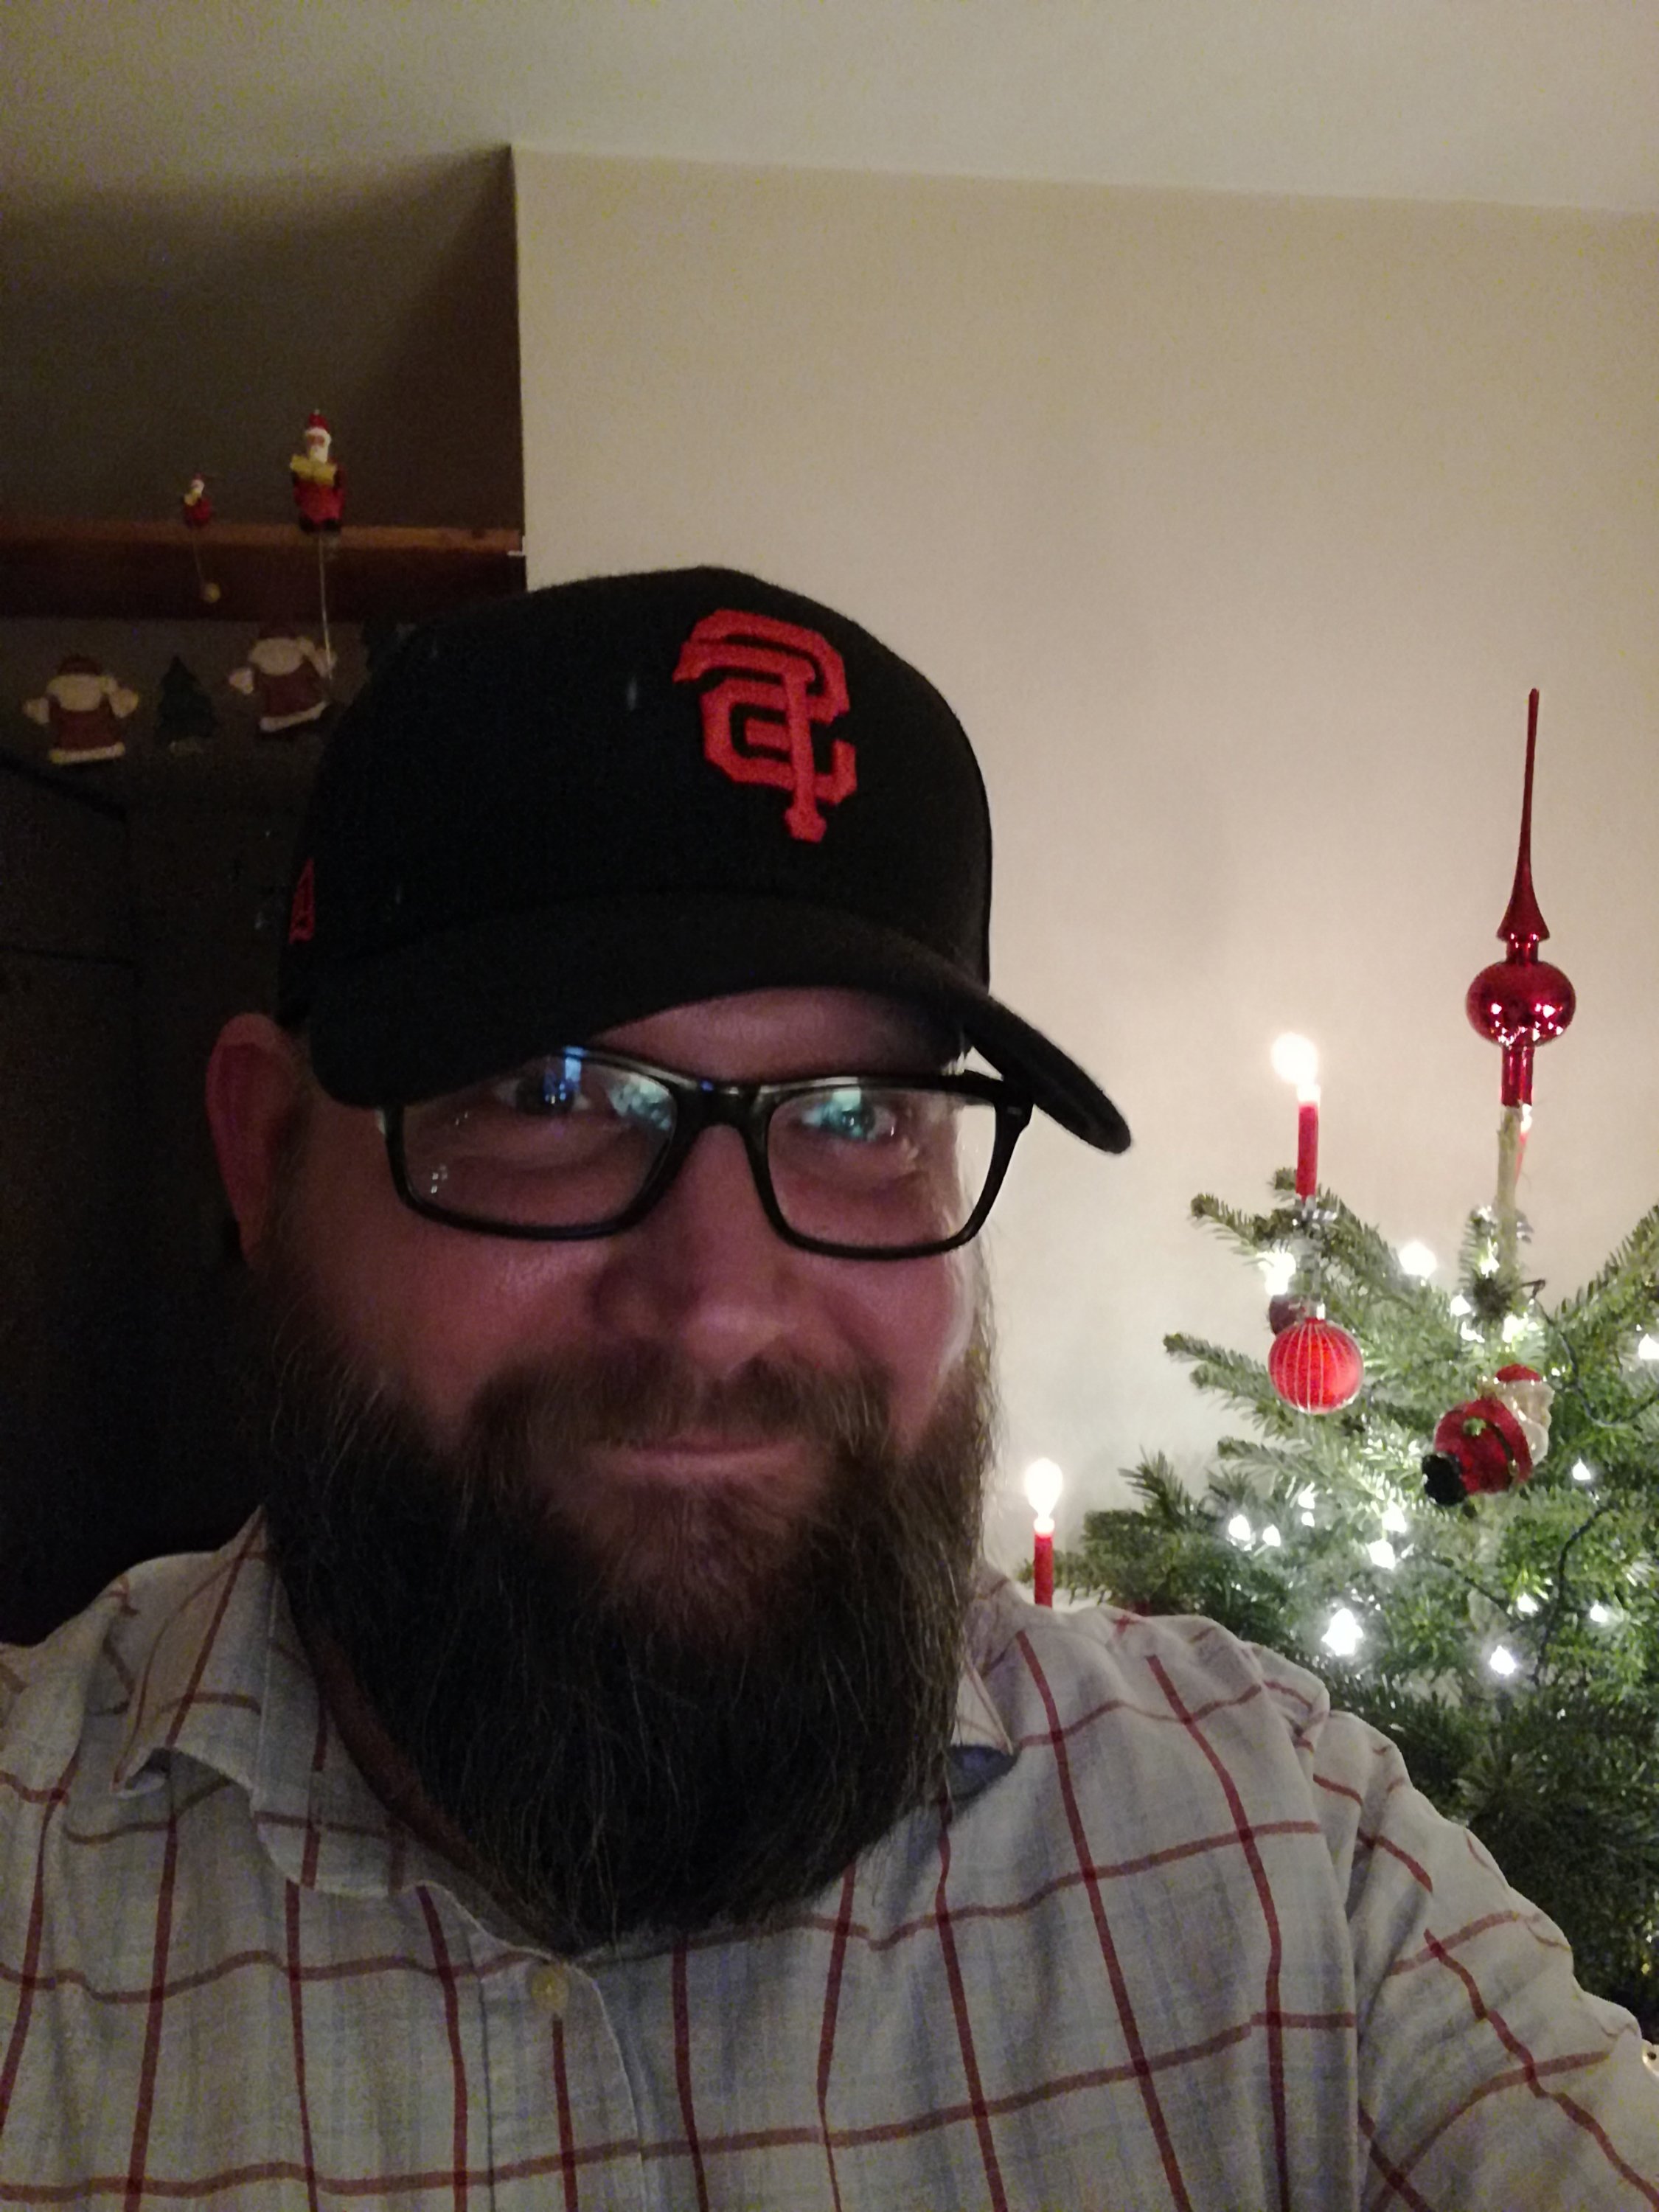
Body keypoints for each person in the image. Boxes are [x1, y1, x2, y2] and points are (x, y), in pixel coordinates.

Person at [1, 568, 1654, 2208]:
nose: (721, 1305)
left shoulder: (1286, 1864)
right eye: (548, 1093)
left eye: (860, 1116)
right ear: (264, 1151)